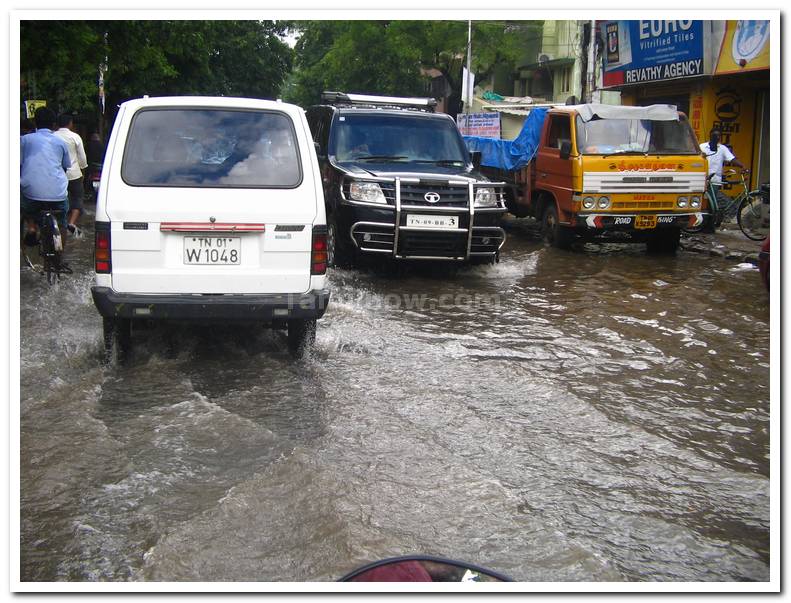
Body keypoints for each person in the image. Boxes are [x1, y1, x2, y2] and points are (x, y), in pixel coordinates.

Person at [20, 106, 71, 248]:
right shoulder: (61, 142)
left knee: (26, 207)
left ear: (35, 123)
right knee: (62, 222)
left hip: (31, 193)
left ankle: (31, 227)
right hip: (57, 194)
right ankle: (60, 254)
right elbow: (66, 165)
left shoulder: (24, 140)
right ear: (54, 125)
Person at [699, 128, 746, 229]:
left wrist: (742, 166)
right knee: (702, 203)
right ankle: (702, 224)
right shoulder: (702, 147)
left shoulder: (722, 148)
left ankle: (710, 226)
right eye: (715, 136)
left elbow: (732, 159)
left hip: (715, 180)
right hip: (702, 179)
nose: (717, 138)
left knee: (712, 203)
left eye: (718, 136)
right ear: (710, 136)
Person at [54, 113, 88, 237]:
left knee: (59, 199)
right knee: (77, 198)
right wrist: (83, 169)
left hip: (57, 175)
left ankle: (57, 223)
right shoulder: (75, 137)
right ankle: (72, 223)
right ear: (70, 123)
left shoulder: (53, 136)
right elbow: (82, 158)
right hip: (74, 174)